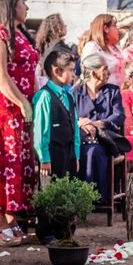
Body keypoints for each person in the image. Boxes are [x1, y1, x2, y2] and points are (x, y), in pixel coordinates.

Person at [0, 0, 39, 247]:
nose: (27, 7)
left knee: (19, 164)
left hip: (21, 110)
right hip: (5, 110)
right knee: (3, 164)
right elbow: (0, 76)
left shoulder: (20, 35)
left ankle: (12, 220)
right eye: (23, 2)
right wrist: (23, 102)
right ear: (11, 5)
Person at [32, 50, 80, 244]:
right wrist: (44, 157)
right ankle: (46, 231)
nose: (74, 74)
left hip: (68, 151)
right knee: (49, 190)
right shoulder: (44, 96)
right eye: (70, 70)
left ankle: (64, 229)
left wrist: (76, 154)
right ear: (56, 70)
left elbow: (75, 127)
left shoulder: (69, 97)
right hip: (51, 153)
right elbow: (40, 130)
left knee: (66, 188)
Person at [70, 54, 125, 203]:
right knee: (85, 151)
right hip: (81, 140)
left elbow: (118, 116)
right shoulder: (75, 93)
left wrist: (95, 124)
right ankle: (82, 198)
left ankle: (97, 198)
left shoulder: (112, 91)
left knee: (94, 151)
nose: (109, 72)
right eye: (105, 69)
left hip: (106, 141)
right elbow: (69, 118)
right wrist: (81, 123)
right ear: (94, 73)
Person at [81, 14, 125, 87]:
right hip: (103, 94)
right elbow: (87, 75)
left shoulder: (116, 48)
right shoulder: (92, 47)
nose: (118, 28)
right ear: (106, 28)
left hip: (119, 93)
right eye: (115, 25)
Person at [35, 13, 71, 80]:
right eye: (62, 24)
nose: (65, 26)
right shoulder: (59, 47)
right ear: (57, 27)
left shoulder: (46, 46)